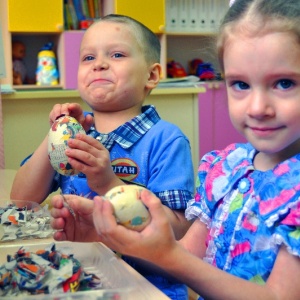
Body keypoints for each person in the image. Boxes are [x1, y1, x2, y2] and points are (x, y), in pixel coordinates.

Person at [52, 1, 300, 299]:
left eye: (285, 83)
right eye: (240, 84)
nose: (258, 108)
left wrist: (169, 254)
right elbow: (183, 259)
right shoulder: (230, 169)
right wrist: (106, 236)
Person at [11, 14, 194, 300]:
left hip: (147, 285)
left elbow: (181, 232)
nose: (99, 63)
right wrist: (54, 135)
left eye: (117, 54)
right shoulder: (78, 134)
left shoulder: (166, 140)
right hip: (80, 277)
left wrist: (109, 183)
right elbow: (22, 200)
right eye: (88, 57)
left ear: (152, 75)